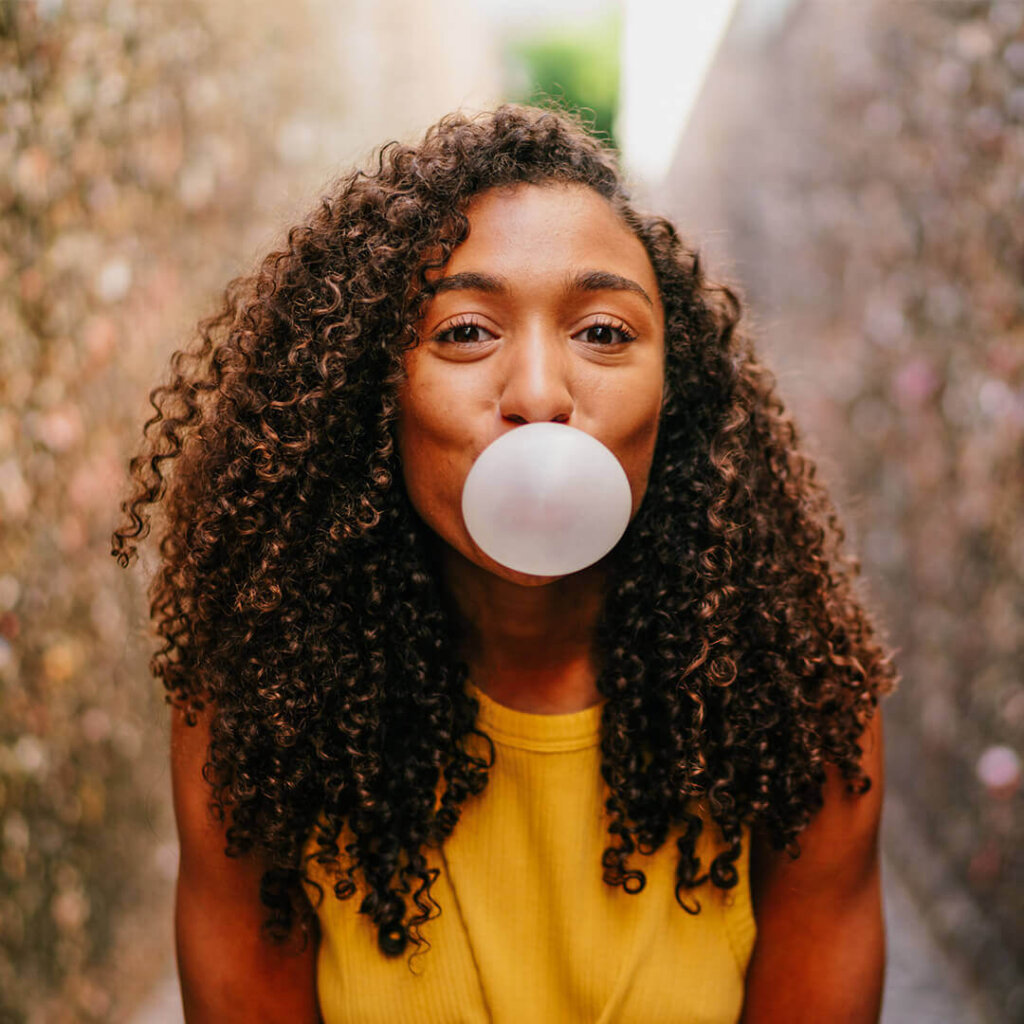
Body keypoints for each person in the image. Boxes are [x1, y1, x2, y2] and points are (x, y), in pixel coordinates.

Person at [112, 104, 897, 1023]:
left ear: (673, 397)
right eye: (464, 332)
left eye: (603, 332)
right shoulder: (257, 717)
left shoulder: (802, 714)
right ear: (373, 394)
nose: (537, 394)